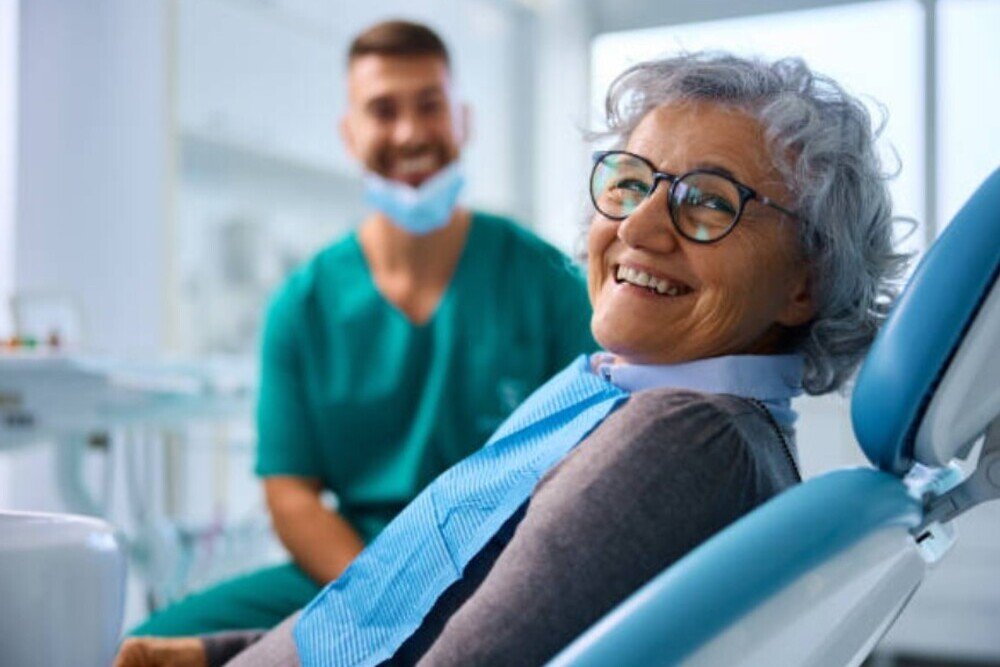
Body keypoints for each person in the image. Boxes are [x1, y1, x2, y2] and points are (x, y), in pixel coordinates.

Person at [116, 51, 907, 666]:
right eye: (630, 183)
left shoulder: (681, 438)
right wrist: (221, 652)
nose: (638, 228)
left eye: (708, 199)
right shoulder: (626, 393)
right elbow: (421, 592)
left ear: (805, 281)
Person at [128, 20, 595, 638]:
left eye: (430, 106)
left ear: (464, 121)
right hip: (355, 564)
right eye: (383, 110)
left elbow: (593, 454)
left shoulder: (545, 281)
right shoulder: (303, 305)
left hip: (509, 561)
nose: (409, 132)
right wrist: (384, 597)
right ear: (350, 134)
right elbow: (291, 495)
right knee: (153, 645)